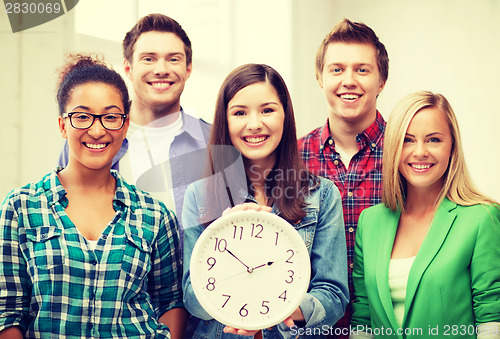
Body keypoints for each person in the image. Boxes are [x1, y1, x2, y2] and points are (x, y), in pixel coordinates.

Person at [0, 54, 185, 338]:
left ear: (125, 126)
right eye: (82, 116)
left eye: (111, 117)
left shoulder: (156, 216)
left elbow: (170, 302)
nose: (97, 130)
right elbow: (7, 311)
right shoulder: (20, 207)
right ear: (63, 125)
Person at [182, 63, 349, 338]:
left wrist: (275, 308)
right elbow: (191, 299)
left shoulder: (322, 195)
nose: (255, 124)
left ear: (285, 115)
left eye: (267, 110)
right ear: (226, 120)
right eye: (239, 112)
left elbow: (333, 296)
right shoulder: (200, 196)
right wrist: (220, 237)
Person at [350, 91, 500, 339]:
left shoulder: (483, 218)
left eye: (433, 140)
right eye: (407, 140)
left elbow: (491, 316)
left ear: (452, 146)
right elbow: (363, 316)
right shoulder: (370, 221)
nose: (420, 152)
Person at [58, 13, 211, 239]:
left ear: (188, 69)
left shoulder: (213, 140)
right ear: (128, 68)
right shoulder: (89, 140)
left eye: (173, 59)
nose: (161, 69)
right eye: (148, 59)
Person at [298, 18, 389, 337]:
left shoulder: (405, 156)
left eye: (362, 70)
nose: (348, 80)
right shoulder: (293, 159)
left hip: (386, 325)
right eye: (337, 69)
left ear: (382, 81)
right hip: (311, 329)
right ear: (320, 79)